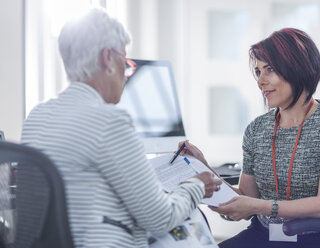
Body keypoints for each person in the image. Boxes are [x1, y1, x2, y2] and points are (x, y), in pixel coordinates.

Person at [21, 8, 221, 248]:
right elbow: (160, 218)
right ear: (108, 58)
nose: (126, 75)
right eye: (125, 62)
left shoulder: (36, 116)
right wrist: (196, 185)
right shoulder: (109, 120)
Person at [179, 28, 320, 248]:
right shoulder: (257, 129)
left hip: (315, 238)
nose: (260, 81)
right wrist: (204, 167)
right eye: (258, 71)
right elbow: (245, 196)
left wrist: (259, 206)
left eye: (269, 69)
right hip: (263, 235)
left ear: (297, 68)